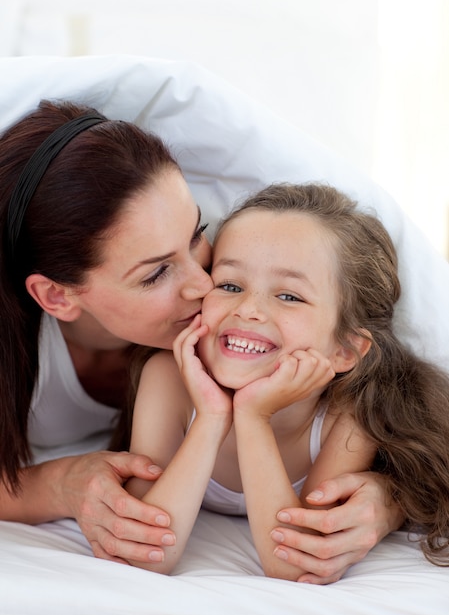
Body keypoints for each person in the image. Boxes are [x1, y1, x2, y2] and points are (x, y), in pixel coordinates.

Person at [0, 100, 400, 583]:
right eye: (157, 273)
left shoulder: (249, 256)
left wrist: (394, 493)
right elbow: (152, 544)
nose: (206, 284)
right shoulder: (167, 375)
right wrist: (55, 485)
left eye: (195, 235)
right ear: (56, 296)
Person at [126, 182, 449, 581]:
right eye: (229, 285)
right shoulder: (168, 378)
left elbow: (292, 564)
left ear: (345, 350)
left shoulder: (348, 412)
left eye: (290, 296)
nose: (248, 309)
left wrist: (252, 417)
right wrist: (211, 416)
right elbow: (145, 551)